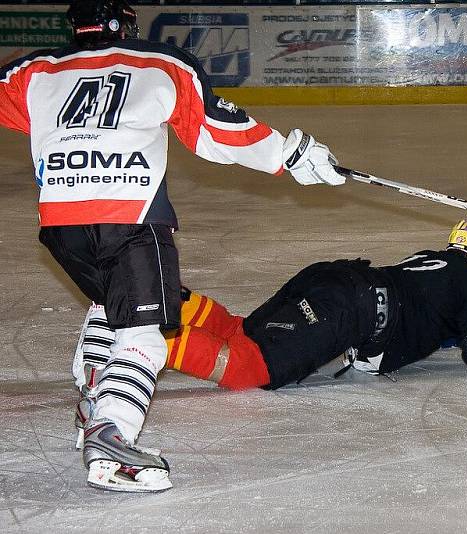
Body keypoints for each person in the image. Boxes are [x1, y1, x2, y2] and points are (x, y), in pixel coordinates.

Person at [0, 0, 344, 492]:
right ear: (125, 22)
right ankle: (112, 438)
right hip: (132, 220)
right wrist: (290, 153)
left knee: (109, 305)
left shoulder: (33, 71)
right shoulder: (159, 63)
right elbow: (215, 129)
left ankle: (95, 395)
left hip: (61, 225)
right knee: (144, 337)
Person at [156, 220, 467, 392]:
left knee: (241, 332)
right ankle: (143, 341)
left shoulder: (430, 260)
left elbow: (429, 314)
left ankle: (162, 303)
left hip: (332, 276)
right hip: (353, 308)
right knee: (250, 367)